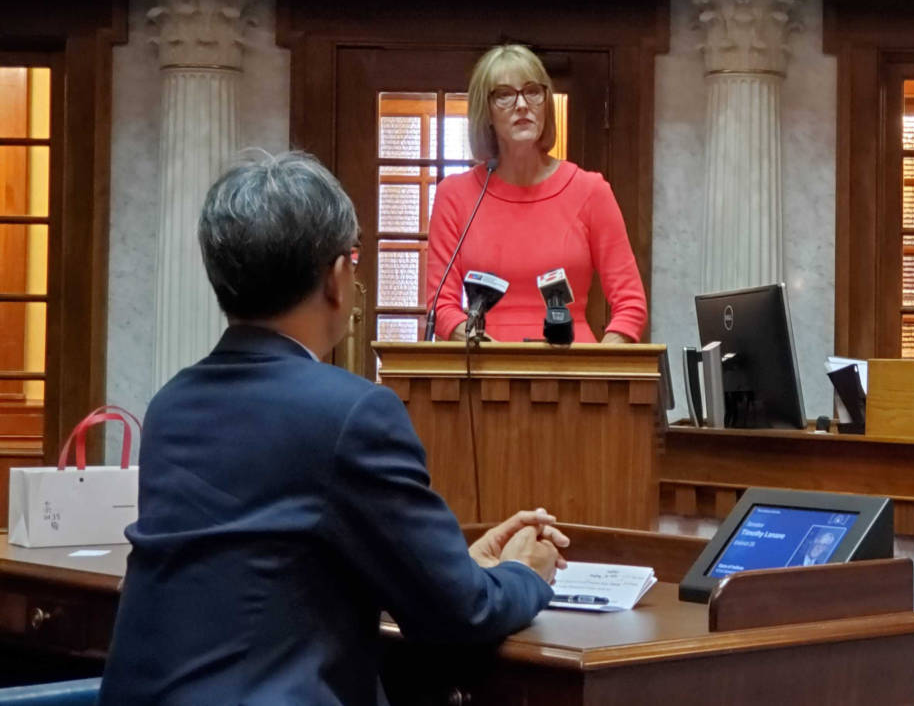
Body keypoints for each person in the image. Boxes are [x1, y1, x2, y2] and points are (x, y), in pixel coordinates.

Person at [101, 151, 569, 706]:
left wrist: (455, 565)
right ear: (337, 276)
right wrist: (526, 572)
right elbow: (460, 615)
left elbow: (271, 574)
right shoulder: (351, 413)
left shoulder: (170, 406)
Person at [426, 44, 647, 344]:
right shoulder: (455, 196)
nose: (522, 105)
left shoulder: (591, 191)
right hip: (483, 373)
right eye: (504, 94)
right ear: (485, 111)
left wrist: (599, 366)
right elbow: (441, 306)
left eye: (532, 91)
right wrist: (480, 347)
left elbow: (630, 306)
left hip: (575, 376)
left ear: (546, 103)